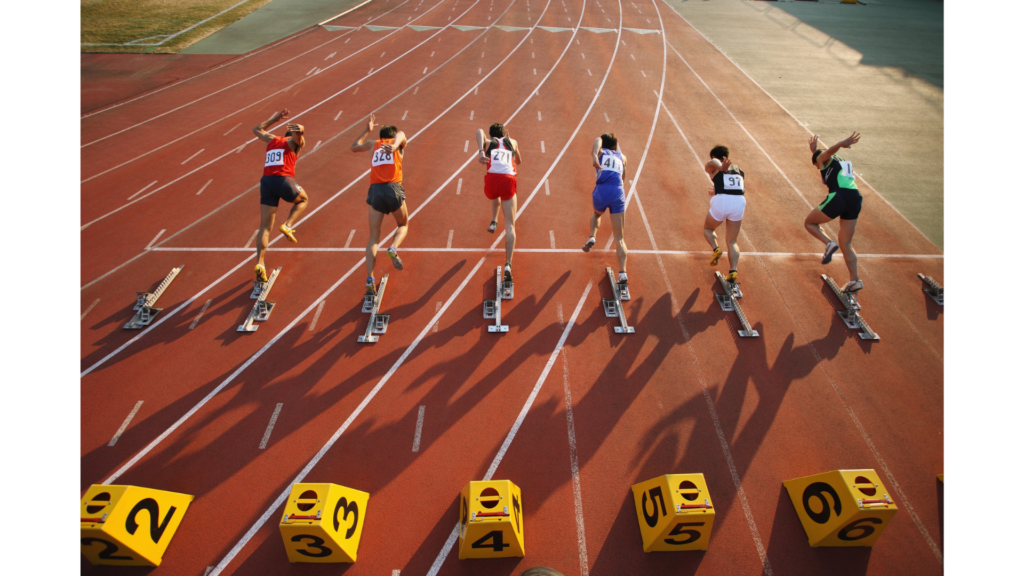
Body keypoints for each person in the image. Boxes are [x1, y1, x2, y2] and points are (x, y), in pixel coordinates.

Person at [351, 113, 409, 294]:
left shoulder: (372, 145)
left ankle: (370, 277)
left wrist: (366, 131)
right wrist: (395, 145)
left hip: (375, 191)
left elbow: (354, 147)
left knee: (373, 238)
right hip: (393, 188)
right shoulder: (398, 146)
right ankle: (393, 247)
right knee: (403, 224)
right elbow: (403, 134)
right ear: (393, 137)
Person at [252, 108, 309, 283]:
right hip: (282, 179)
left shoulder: (272, 139)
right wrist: (300, 129)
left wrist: (275, 118)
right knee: (304, 199)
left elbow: (257, 129)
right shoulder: (293, 143)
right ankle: (288, 224)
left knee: (265, 227)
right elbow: (299, 136)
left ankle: (260, 263)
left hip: (266, 182)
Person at [804, 132, 863, 292]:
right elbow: (825, 156)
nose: (818, 168)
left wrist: (840, 143)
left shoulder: (822, 159)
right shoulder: (841, 161)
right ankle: (855, 280)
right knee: (846, 243)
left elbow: (825, 154)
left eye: (816, 166)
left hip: (840, 196)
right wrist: (814, 151)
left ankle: (828, 243)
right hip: (855, 198)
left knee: (809, 223)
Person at [476, 123, 522, 283]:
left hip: (492, 181)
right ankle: (508, 263)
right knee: (510, 225)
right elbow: (519, 161)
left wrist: (481, 151)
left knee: (495, 194)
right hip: (508, 180)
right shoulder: (512, 142)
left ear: (492, 135)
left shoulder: (489, 143)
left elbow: (479, 131)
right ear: (505, 134)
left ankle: (493, 222)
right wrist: (511, 146)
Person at [582, 134, 628, 287]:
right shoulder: (623, 157)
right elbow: (624, 177)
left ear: (603, 145)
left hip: (602, 191)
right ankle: (622, 273)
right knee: (620, 238)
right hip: (617, 193)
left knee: (596, 214)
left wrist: (595, 155)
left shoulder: (600, 153)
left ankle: (592, 237)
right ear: (615, 145)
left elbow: (596, 139)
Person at [703, 145, 745, 284]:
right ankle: (733, 270)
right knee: (732, 241)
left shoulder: (716, 164)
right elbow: (734, 187)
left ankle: (716, 248)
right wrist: (716, 189)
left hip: (722, 201)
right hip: (739, 202)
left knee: (708, 229)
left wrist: (718, 167)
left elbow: (709, 166)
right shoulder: (739, 170)